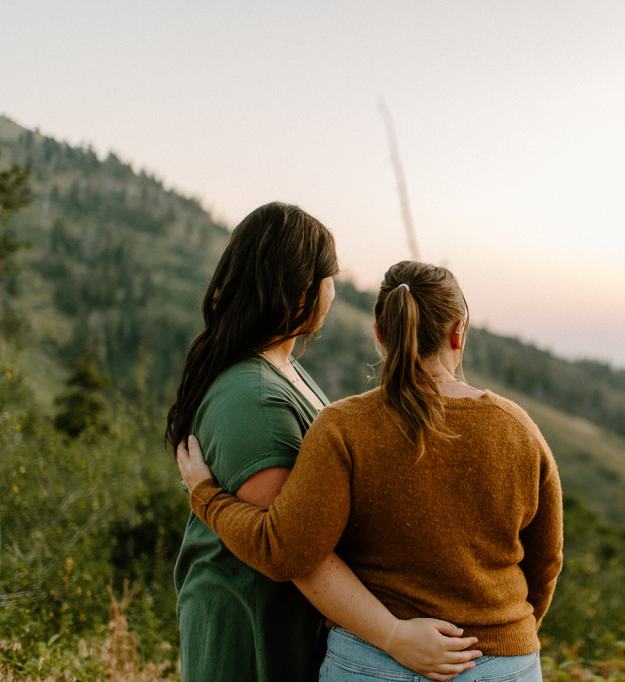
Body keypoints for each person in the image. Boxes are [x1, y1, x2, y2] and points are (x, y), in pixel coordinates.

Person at [176, 259, 564, 682]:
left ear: (380, 334)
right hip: (502, 662)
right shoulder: (517, 428)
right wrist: (504, 633)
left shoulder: (344, 427)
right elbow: (546, 562)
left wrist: (207, 497)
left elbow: (285, 551)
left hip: (371, 663)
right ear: (459, 332)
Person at [167, 207, 480, 681]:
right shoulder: (253, 400)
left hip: (292, 626)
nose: (334, 290)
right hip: (255, 635)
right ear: (300, 290)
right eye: (329, 276)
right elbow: (293, 550)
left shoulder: (282, 367)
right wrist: (394, 635)